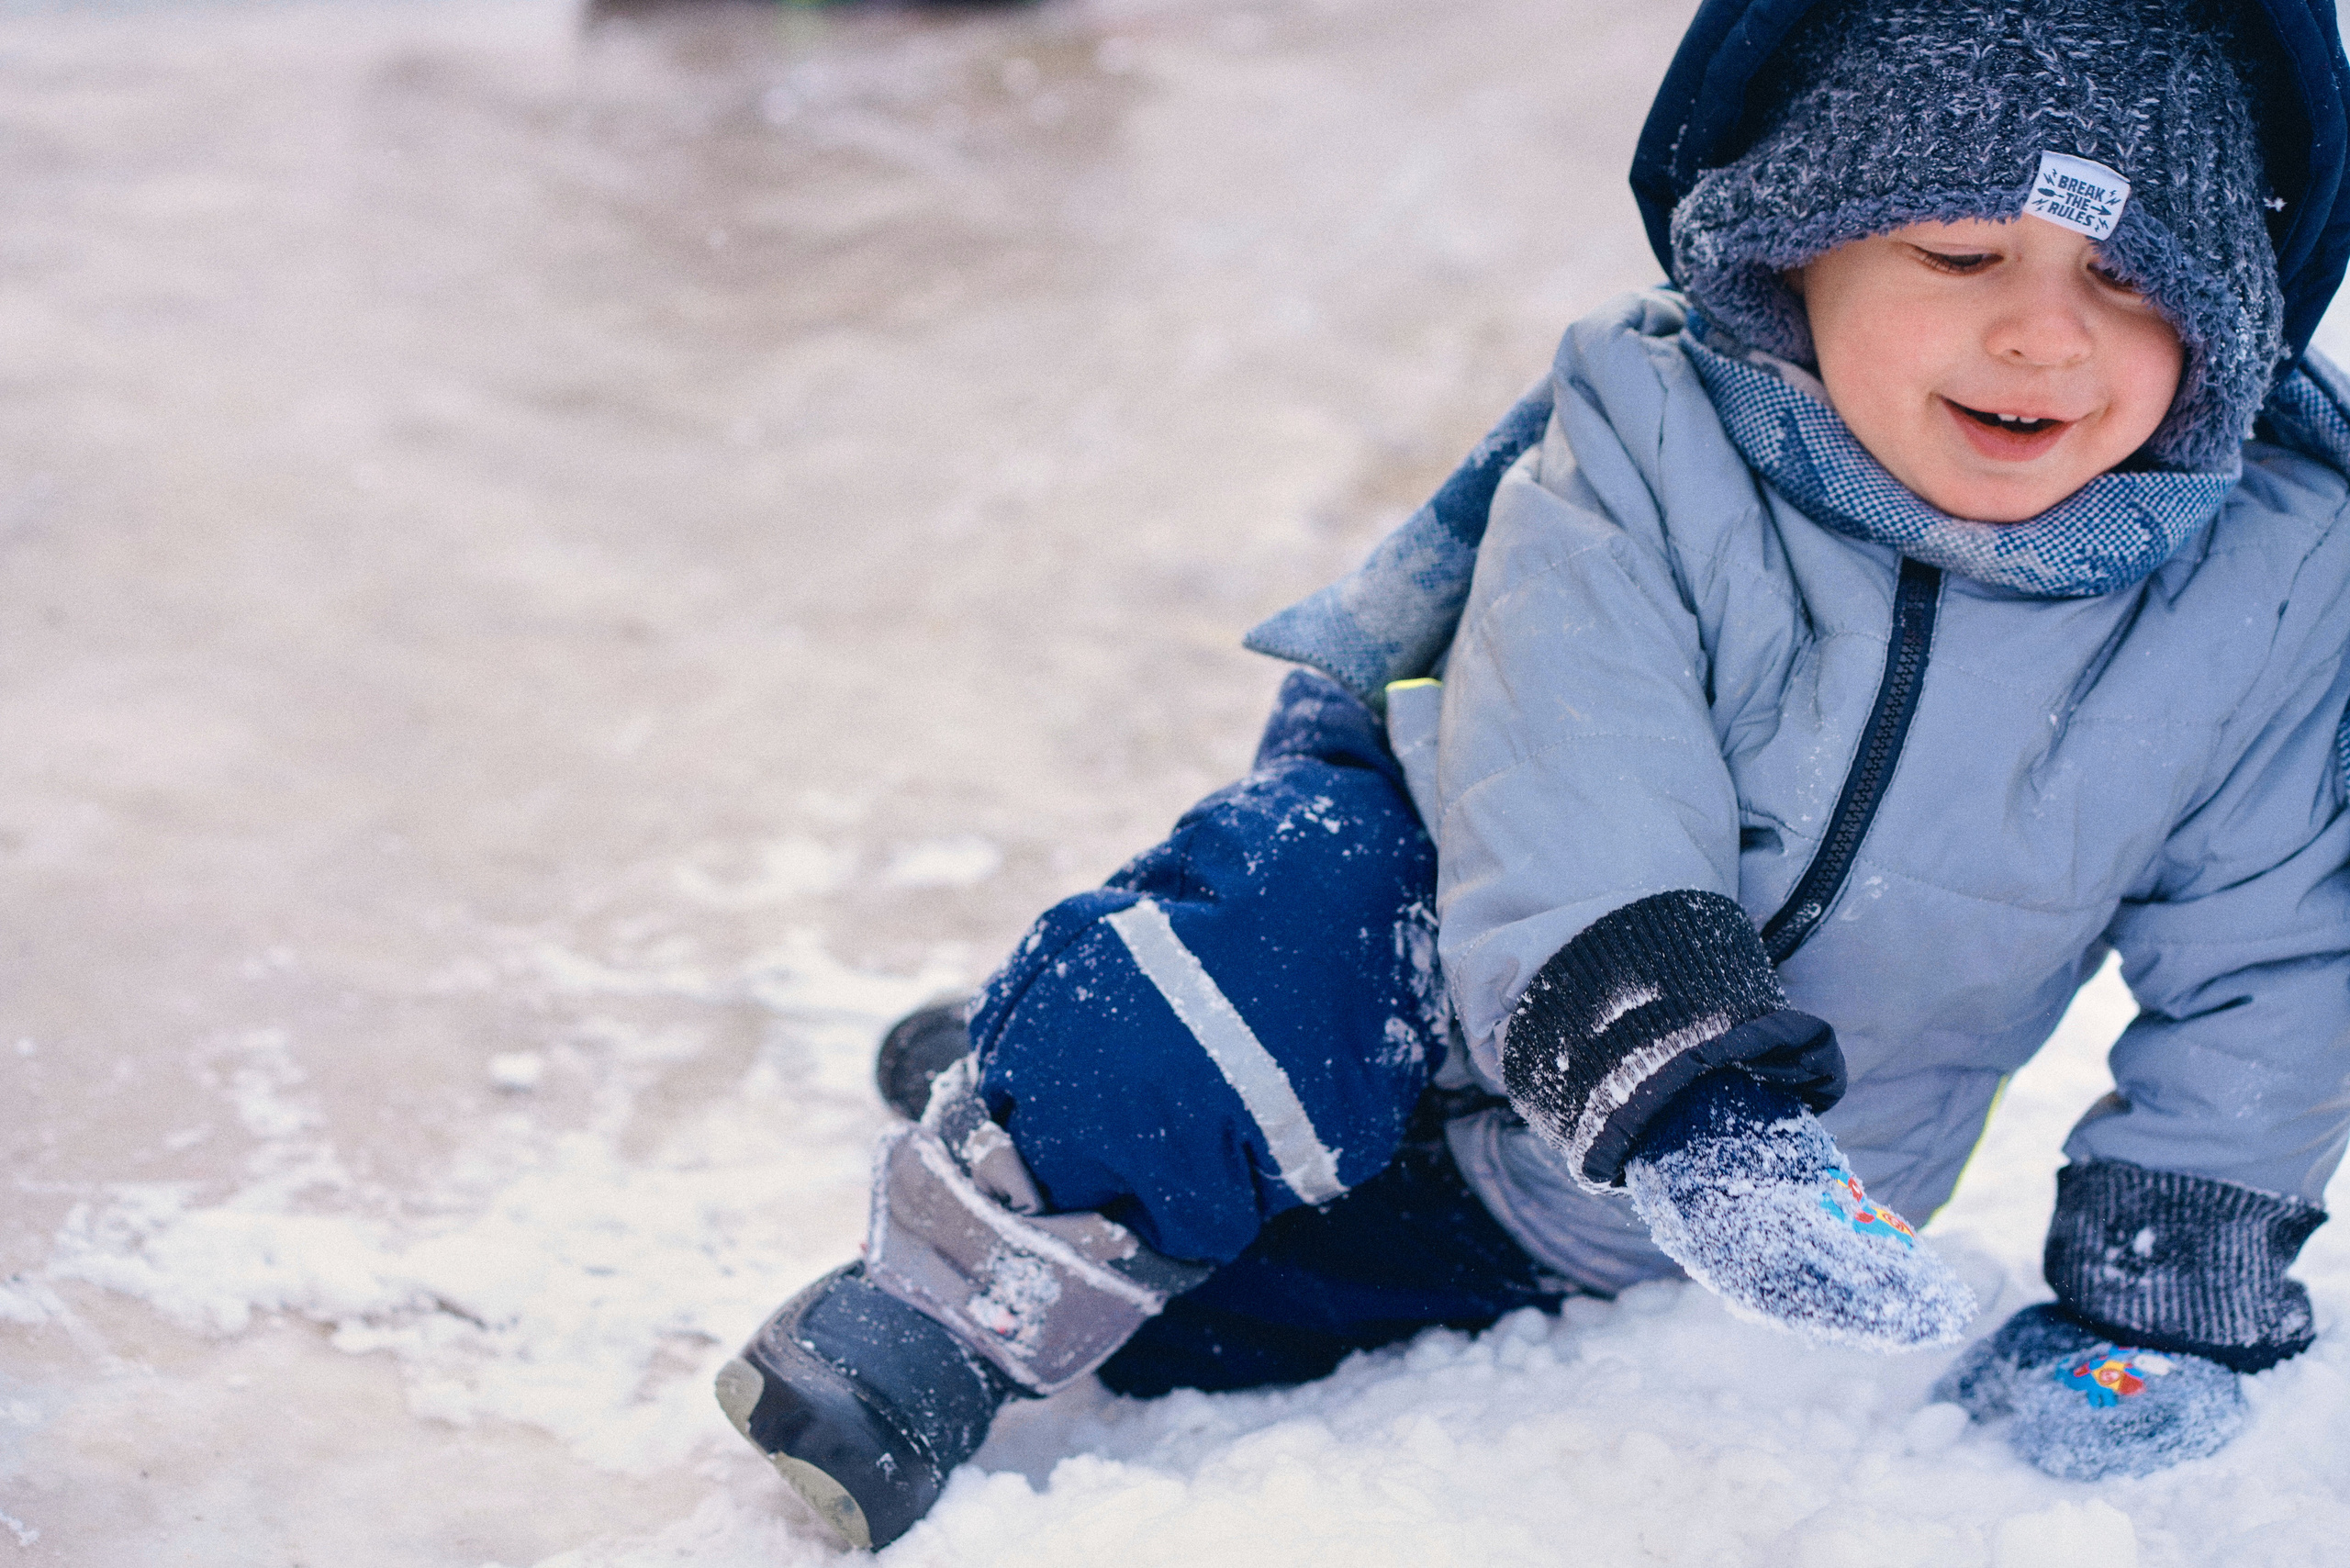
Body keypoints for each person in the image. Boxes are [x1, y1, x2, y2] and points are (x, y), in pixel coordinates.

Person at [712, 0, 2350, 1547]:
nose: (2044, 334)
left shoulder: (2265, 593)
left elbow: (2278, 961)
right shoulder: (1651, 441)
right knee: (1271, 923)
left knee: (1195, 1326)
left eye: (2133, 280)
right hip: (1426, 984)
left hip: (1603, 1221)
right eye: (1961, 251)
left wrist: (2166, 1287)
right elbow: (1581, 768)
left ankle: (1064, 1089)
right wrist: (1694, 1103)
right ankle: (941, 1306)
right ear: (1795, 243)